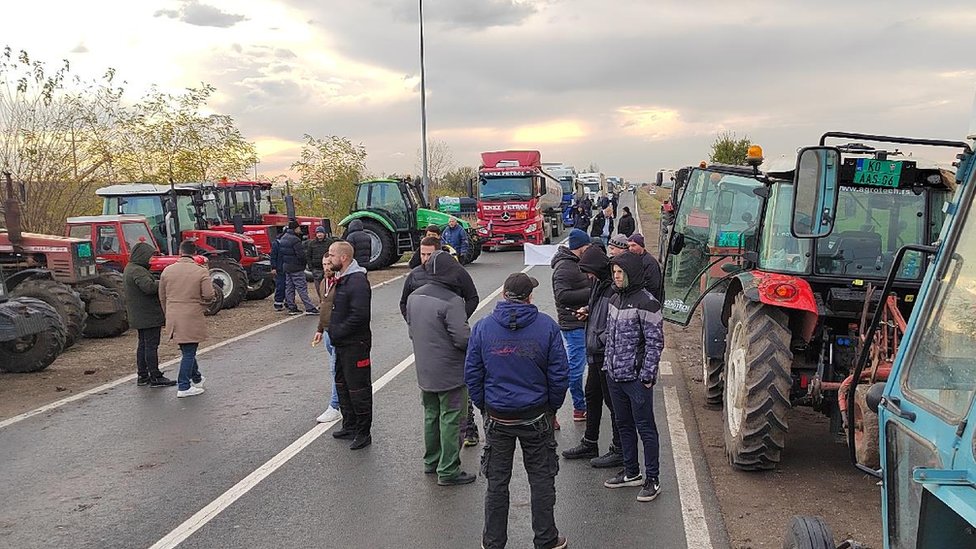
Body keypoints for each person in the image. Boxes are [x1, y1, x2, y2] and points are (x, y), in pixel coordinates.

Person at [465, 273, 569, 549]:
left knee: (497, 482)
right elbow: (559, 374)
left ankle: (494, 541)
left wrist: (484, 407)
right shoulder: (546, 326)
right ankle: (546, 538)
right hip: (536, 414)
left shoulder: (483, 328)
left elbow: (473, 374)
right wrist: (552, 407)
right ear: (529, 297)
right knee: (542, 478)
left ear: (503, 295)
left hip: (499, 415)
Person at [400, 236, 481, 446]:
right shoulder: (416, 278)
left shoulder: (456, 276)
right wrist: (418, 326)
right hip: (445, 360)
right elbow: (463, 339)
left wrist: (458, 319)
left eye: (429, 254)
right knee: (451, 413)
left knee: (436, 413)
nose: (425, 259)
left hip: (430, 356)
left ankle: (436, 459)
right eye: (422, 254)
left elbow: (472, 297)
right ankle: (448, 468)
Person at [406, 251, 476, 486]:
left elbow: (412, 331)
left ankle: (432, 461)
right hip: (450, 371)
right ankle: (448, 469)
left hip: (425, 368)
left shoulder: (414, 297)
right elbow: (463, 340)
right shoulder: (452, 301)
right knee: (452, 419)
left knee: (431, 415)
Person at [602, 252, 664, 502]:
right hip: (614, 375)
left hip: (636, 379)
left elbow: (655, 342)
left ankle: (652, 478)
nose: (616, 276)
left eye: (620, 272)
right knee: (623, 424)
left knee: (646, 429)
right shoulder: (615, 299)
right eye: (614, 272)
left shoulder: (647, 303)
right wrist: (608, 365)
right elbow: (610, 334)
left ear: (631, 274)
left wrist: (647, 376)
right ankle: (631, 472)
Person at [561, 246, 623, 468]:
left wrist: (600, 337)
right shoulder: (598, 284)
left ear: (597, 268)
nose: (587, 276)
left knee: (613, 402)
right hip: (595, 351)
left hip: (605, 352)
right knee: (592, 394)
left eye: (589, 271)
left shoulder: (613, 289)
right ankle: (590, 442)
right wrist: (587, 310)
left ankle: (619, 449)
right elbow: (599, 308)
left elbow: (616, 322)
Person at [319, 240, 373, 450]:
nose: (328, 258)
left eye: (332, 255)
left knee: (358, 390)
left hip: (355, 345)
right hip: (341, 344)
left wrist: (337, 331)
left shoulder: (357, 281)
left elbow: (360, 316)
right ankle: (349, 425)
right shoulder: (339, 279)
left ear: (344, 258)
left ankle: (363, 432)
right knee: (342, 385)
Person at [159, 240, 217, 398]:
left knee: (187, 349)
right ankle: (184, 385)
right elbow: (209, 294)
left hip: (173, 314)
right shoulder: (200, 271)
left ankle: (196, 377)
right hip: (191, 314)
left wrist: (168, 312)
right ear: (195, 253)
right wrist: (203, 305)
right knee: (189, 351)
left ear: (180, 251)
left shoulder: (167, 271)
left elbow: (162, 296)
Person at [550, 228, 591, 423]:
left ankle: (579, 409)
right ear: (581, 247)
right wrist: (591, 292)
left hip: (578, 322)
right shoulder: (565, 267)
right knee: (573, 371)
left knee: (576, 368)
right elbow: (562, 296)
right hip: (573, 324)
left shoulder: (574, 263)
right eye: (587, 246)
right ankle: (554, 409)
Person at [123, 241, 176, 388]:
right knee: (151, 346)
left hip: (140, 314)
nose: (150, 260)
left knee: (143, 345)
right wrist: (163, 282)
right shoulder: (137, 271)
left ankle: (143, 375)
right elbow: (148, 287)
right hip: (147, 315)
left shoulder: (130, 269)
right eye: (149, 256)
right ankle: (155, 376)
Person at [312, 257, 341, 424]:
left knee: (335, 369)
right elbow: (324, 307)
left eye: (329, 264)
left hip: (338, 331)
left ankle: (334, 406)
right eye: (323, 264)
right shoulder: (324, 282)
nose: (326, 267)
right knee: (336, 369)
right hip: (328, 331)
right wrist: (319, 329)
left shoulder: (340, 283)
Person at [280, 221, 318, 315]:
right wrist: (305, 263)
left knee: (289, 287)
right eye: (298, 228)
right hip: (296, 267)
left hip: (287, 266)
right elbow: (300, 255)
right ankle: (309, 307)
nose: (300, 229)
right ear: (295, 228)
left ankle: (291, 307)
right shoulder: (295, 240)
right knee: (301, 287)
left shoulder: (283, 238)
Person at [627, 233, 664, 302]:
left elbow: (653, 286)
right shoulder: (633, 260)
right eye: (629, 246)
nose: (631, 248)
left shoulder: (650, 263)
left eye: (633, 245)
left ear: (642, 246)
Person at [306, 225, 335, 302]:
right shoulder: (311, 243)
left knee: (329, 285)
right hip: (316, 269)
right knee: (318, 287)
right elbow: (308, 256)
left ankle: (329, 300)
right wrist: (311, 267)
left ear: (324, 233)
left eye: (321, 233)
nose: (319, 234)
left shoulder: (329, 242)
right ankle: (321, 301)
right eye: (318, 233)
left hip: (327, 269)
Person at [269, 228, 286, 311]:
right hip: (280, 268)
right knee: (281, 285)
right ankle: (278, 302)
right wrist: (274, 267)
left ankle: (288, 301)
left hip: (287, 267)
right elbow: (273, 256)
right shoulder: (277, 243)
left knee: (289, 286)